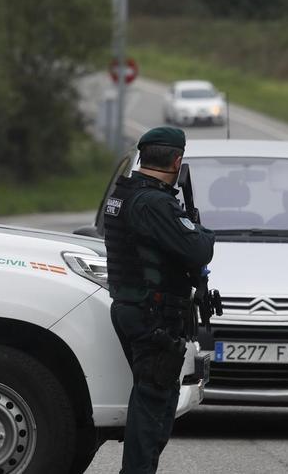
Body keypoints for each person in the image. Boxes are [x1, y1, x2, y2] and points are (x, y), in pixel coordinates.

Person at [103, 127, 215, 473]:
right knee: (153, 405)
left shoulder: (125, 193)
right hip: (153, 316)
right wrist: (202, 232)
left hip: (134, 309)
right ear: (177, 160)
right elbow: (198, 249)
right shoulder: (154, 202)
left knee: (155, 400)